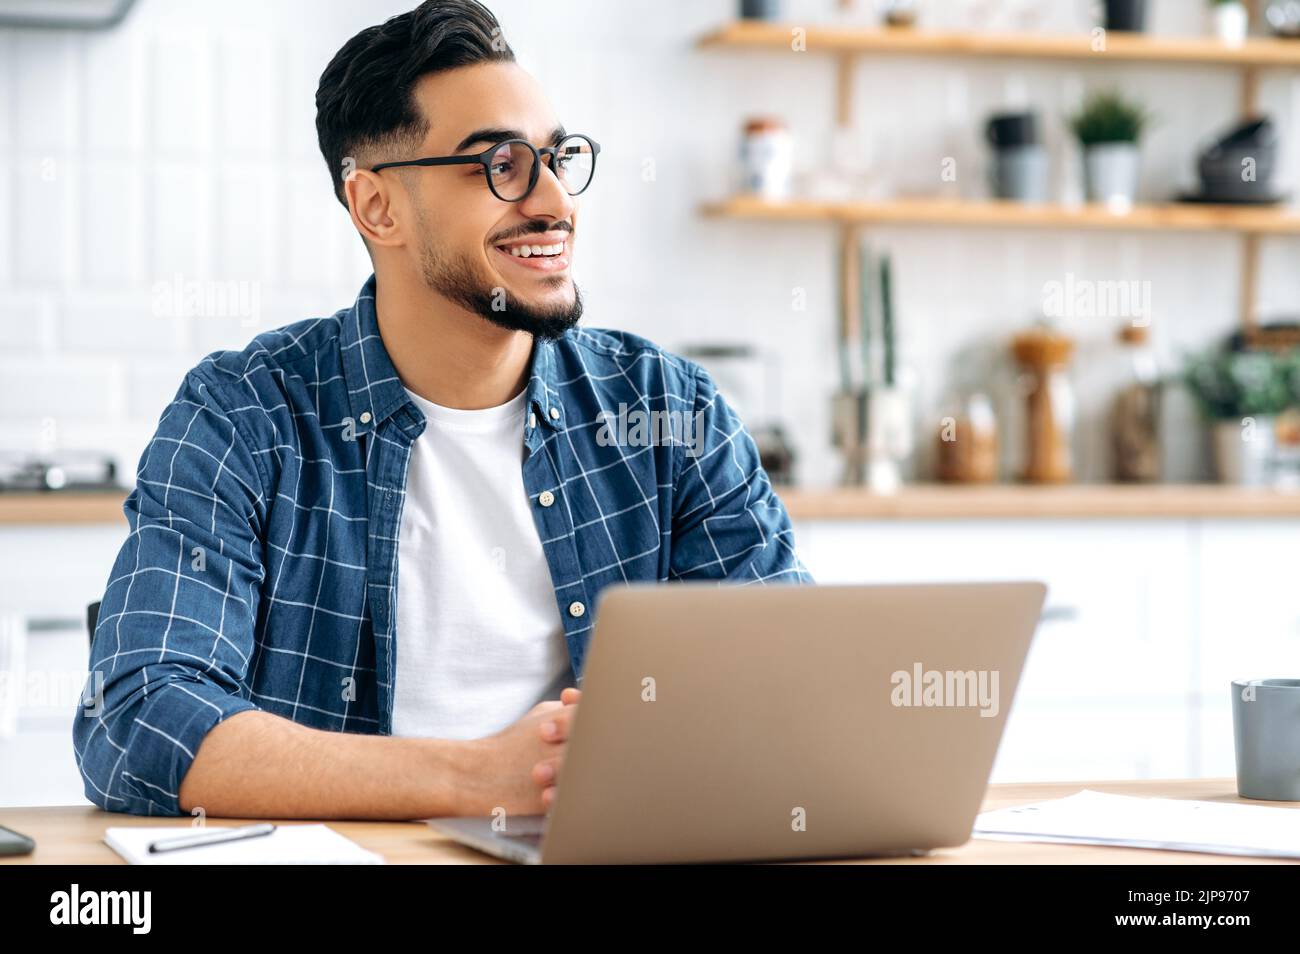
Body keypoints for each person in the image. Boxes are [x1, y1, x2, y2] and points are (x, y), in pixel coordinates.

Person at [73, 0, 811, 820]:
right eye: (500, 164)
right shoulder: (246, 416)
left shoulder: (671, 410)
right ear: (376, 207)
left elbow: (789, 685)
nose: (553, 201)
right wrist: (475, 778)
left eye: (558, 158)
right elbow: (136, 723)